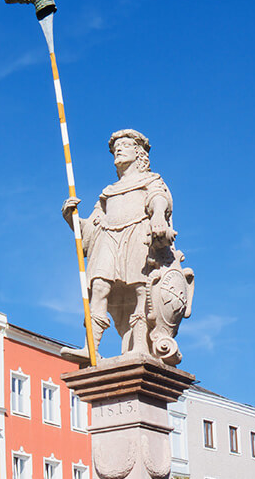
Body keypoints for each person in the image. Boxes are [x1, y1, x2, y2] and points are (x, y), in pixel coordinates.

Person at [60, 129, 175, 362]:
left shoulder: (151, 180)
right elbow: (90, 228)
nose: (118, 149)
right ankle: (90, 347)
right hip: (108, 238)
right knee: (99, 286)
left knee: (141, 289)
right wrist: (72, 218)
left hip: (137, 233)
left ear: (139, 152)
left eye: (125, 145)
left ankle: (140, 345)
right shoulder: (108, 192)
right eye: (115, 147)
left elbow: (159, 199)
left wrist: (158, 216)